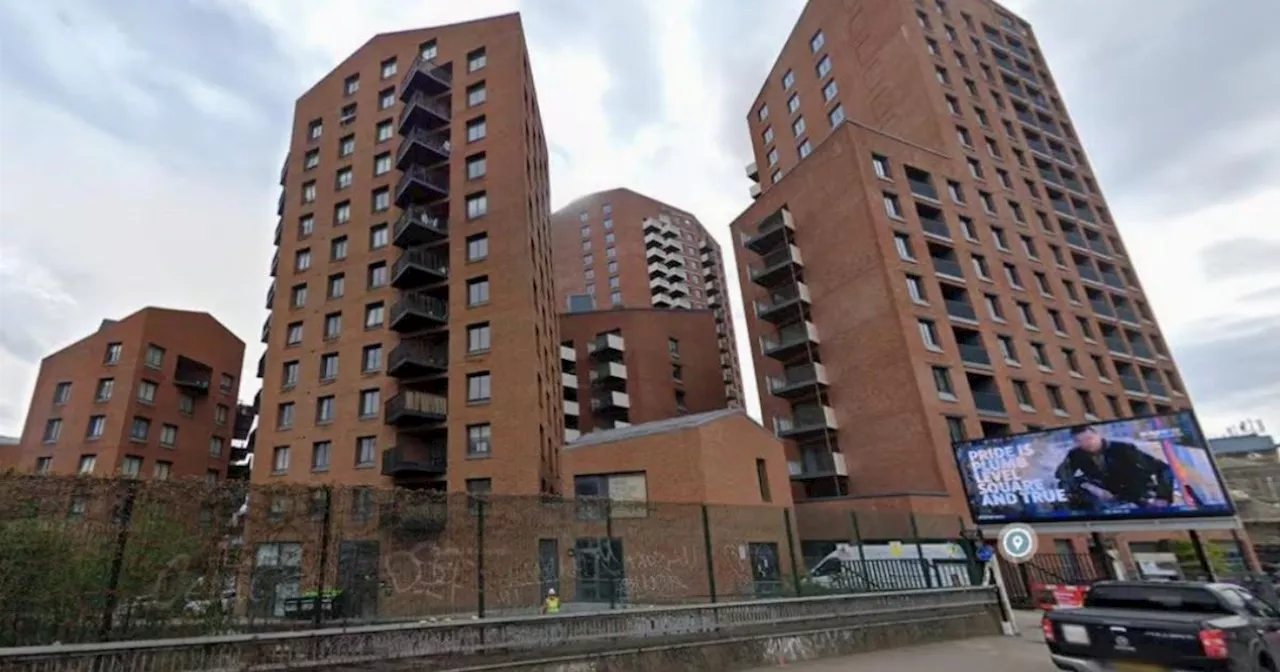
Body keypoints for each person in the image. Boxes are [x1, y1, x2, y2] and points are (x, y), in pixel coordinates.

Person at [1054, 425, 1174, 511]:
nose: (1086, 443)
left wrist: (1163, 497)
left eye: (1089, 438)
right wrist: (1089, 486)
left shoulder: (1124, 449)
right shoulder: (1076, 454)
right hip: (1110, 498)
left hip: (1139, 494)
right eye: (1080, 441)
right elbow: (1061, 476)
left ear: (1098, 435)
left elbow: (1163, 468)